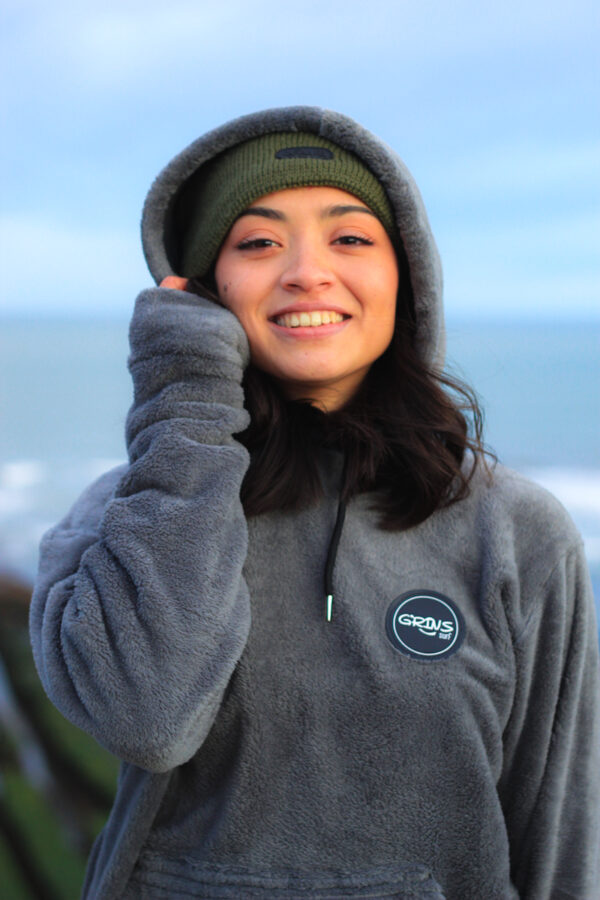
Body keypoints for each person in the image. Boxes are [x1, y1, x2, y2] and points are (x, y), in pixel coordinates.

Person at [30, 107, 600, 899]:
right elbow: (148, 720)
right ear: (203, 293)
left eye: (351, 239)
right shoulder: (125, 520)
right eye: (258, 243)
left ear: (406, 277)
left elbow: (561, 836)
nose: (306, 272)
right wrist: (186, 394)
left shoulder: (517, 533)